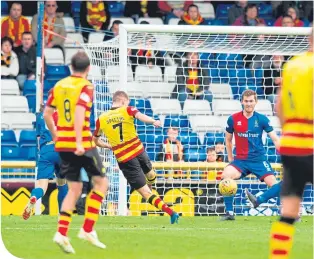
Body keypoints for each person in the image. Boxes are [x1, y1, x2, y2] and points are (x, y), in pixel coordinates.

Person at [44, 51, 109, 253]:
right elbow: (80, 112)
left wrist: (55, 136)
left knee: (74, 188)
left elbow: (47, 113)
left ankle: (61, 233)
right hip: (79, 143)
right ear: (88, 69)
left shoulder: (59, 85)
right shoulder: (86, 87)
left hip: (62, 143)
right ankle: (87, 229)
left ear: (71, 67)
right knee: (101, 182)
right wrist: (80, 142)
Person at [93, 90, 180, 224]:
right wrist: (153, 121)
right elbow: (140, 116)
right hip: (138, 151)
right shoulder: (127, 109)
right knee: (151, 175)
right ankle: (151, 182)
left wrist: (108, 146)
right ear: (123, 101)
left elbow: (96, 141)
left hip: (124, 159)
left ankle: (171, 213)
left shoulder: (101, 119)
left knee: (145, 193)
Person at [268, 27, 313, 259]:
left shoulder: (292, 65)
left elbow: (279, 106)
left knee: (288, 213)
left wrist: (289, 131)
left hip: (292, 142)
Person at [220, 90, 281, 221]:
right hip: (241, 161)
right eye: (246, 101)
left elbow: (275, 139)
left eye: (251, 101)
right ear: (242, 101)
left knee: (276, 185)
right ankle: (229, 213)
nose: (248, 104)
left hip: (259, 160)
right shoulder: (233, 119)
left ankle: (267, 204)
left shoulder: (262, 119)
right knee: (226, 175)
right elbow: (228, 140)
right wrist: (230, 159)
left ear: (256, 102)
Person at [22, 103, 68, 220]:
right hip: (61, 150)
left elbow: (38, 140)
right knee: (62, 183)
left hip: (46, 151)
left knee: (42, 186)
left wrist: (41, 156)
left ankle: (33, 197)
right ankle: (61, 215)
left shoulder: (41, 117)